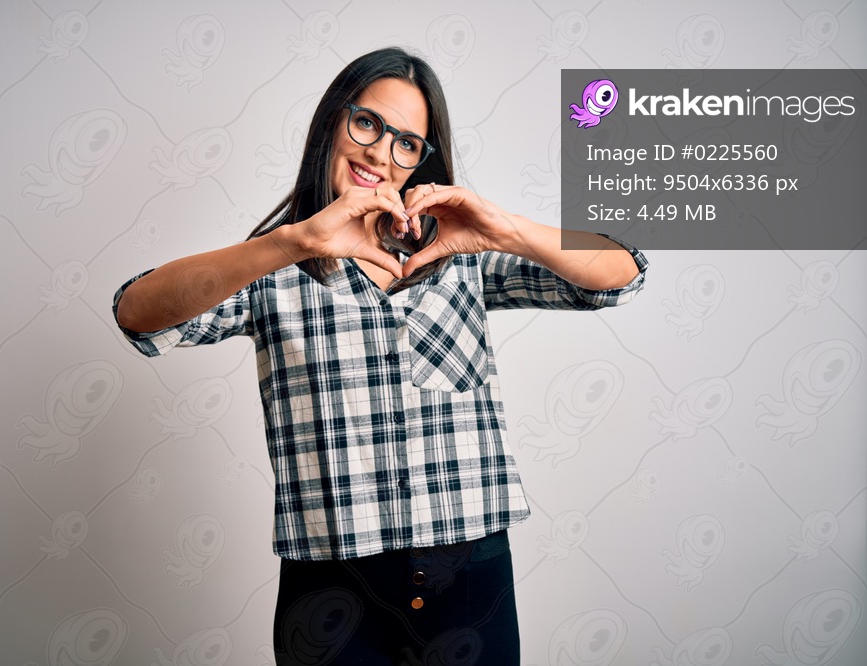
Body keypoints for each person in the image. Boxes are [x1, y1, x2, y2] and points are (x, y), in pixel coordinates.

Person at [114, 47, 647, 666]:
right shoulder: (273, 269)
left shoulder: (461, 258)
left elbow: (619, 276)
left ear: (423, 161)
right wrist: (294, 240)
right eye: (367, 123)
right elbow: (138, 314)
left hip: (469, 575)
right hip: (332, 587)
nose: (379, 153)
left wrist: (502, 227)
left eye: (407, 143)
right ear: (332, 123)